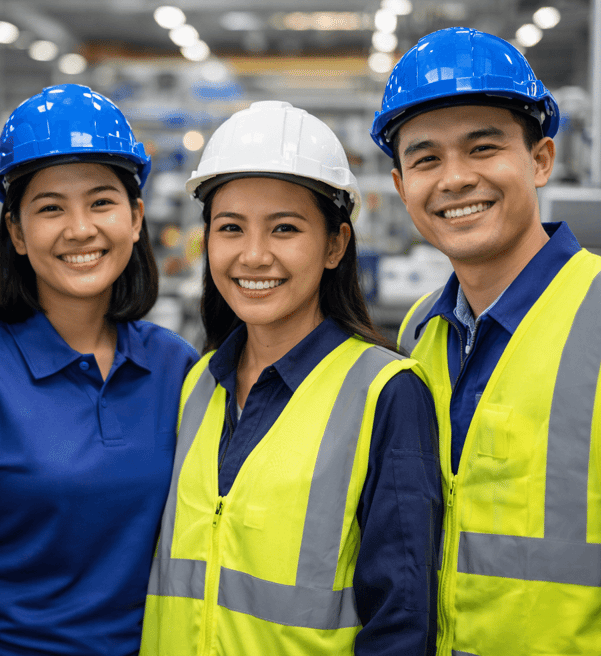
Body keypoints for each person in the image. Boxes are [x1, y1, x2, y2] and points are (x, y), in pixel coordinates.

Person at [370, 26, 601, 656]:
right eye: (426, 158)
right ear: (402, 185)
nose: (455, 179)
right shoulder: (418, 337)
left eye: (482, 148)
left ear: (540, 160)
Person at [0, 83, 198, 656]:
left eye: (102, 202)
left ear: (136, 218)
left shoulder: (176, 367)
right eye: (50, 207)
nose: (80, 228)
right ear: (15, 231)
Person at [140, 101, 442, 655]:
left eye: (284, 228)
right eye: (230, 228)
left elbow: (401, 618)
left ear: (335, 245)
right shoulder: (198, 383)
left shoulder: (386, 393)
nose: (254, 256)